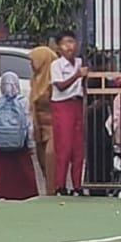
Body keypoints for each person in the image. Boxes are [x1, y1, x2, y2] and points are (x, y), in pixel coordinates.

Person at [50, 30, 88, 196]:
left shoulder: (80, 62)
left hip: (77, 104)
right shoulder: (57, 65)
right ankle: (60, 185)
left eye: (72, 42)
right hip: (62, 105)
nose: (69, 47)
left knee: (78, 148)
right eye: (65, 43)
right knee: (64, 147)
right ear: (59, 47)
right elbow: (60, 86)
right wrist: (77, 75)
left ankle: (77, 185)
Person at [0, 72, 38, 200]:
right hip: (20, 144)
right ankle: (27, 192)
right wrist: (31, 144)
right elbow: (29, 124)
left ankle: (4, 191)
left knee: (4, 169)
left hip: (2, 145)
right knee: (23, 168)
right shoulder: (23, 102)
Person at [29, 45, 58, 194]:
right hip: (39, 127)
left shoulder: (55, 81)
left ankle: (53, 192)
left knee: (50, 159)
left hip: (53, 127)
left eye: (33, 61)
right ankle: (49, 191)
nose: (31, 65)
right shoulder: (35, 80)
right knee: (42, 164)